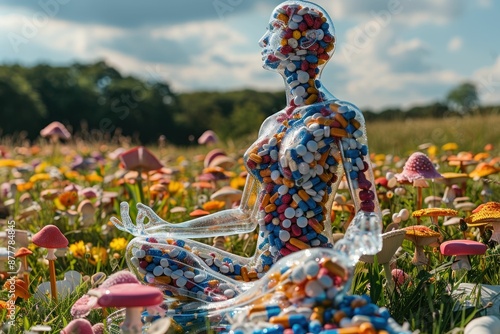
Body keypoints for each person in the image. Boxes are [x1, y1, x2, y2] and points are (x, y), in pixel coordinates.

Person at [111, 0, 382, 304]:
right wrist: (166, 225)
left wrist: (349, 251)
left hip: (307, 267)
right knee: (143, 248)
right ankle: (245, 304)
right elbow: (245, 215)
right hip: (259, 269)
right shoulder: (272, 123)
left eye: (274, 29)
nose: (262, 39)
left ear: (307, 40)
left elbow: (368, 211)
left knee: (264, 291)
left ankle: (247, 307)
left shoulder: (340, 116)